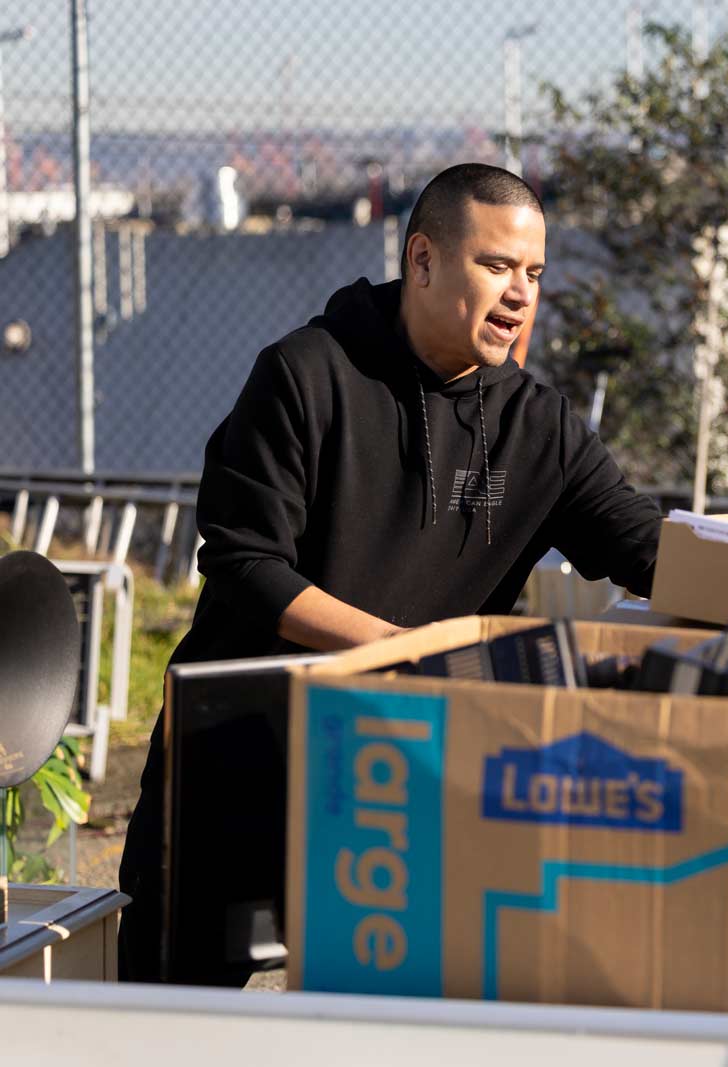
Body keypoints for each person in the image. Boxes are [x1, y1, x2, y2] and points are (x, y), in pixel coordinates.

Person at [118, 163, 662, 984]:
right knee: (172, 1021)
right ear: (422, 260)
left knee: (385, 1016)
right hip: (240, 747)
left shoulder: (539, 426)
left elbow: (649, 550)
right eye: (495, 266)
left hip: (398, 770)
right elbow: (246, 563)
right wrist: (400, 650)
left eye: (535, 273)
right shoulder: (304, 374)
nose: (520, 294)